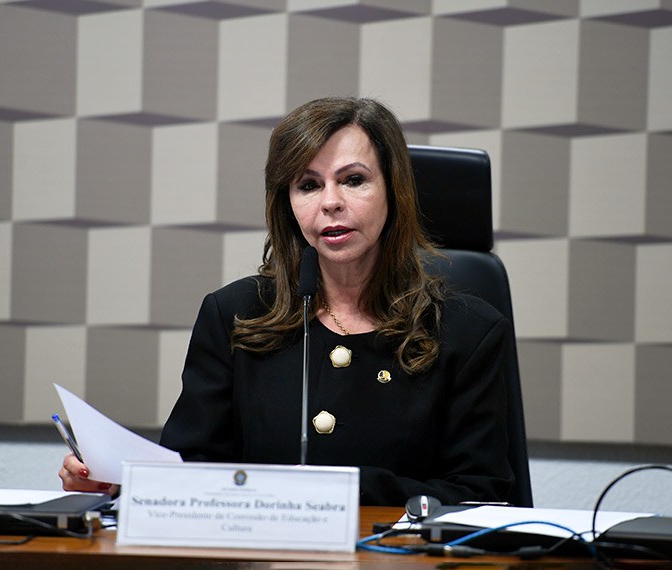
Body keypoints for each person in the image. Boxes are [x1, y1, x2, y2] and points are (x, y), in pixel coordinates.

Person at [60, 96, 515, 506]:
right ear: (288, 204)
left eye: (353, 180)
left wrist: (341, 491)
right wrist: (120, 482)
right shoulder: (234, 315)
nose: (330, 203)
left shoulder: (467, 331)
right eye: (308, 185)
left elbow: (480, 494)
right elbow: (193, 469)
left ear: (394, 191)